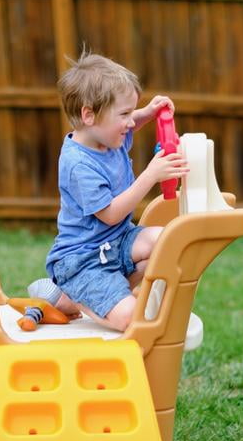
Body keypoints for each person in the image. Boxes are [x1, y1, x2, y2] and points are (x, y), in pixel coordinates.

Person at [32, 52, 188, 331]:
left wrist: (148, 113)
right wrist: (150, 175)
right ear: (89, 115)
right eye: (124, 114)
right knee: (130, 319)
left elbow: (129, 123)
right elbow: (110, 214)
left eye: (131, 112)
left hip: (118, 241)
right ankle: (76, 296)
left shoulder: (108, 137)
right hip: (83, 261)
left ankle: (92, 295)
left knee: (168, 242)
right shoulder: (78, 164)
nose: (130, 122)